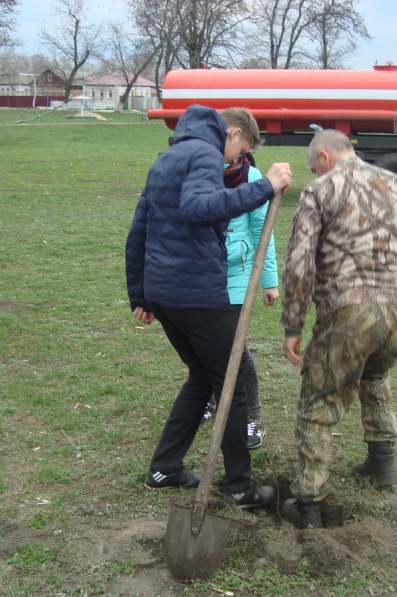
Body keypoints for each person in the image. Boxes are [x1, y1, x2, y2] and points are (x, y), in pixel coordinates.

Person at [278, 130, 397, 529]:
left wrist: (293, 324)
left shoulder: (320, 190)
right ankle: (381, 459)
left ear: (324, 156)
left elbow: (298, 264)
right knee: (373, 368)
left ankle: (308, 504)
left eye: (312, 166)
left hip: (349, 308)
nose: (313, 172)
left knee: (320, 400)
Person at [125, 104, 291, 508]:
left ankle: (164, 468)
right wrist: (263, 187)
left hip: (165, 293)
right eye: (240, 151)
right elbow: (199, 209)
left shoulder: (167, 158)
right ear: (231, 133)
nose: (236, 161)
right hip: (196, 293)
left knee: (201, 376)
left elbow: (140, 229)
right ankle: (239, 487)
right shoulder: (203, 153)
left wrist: (141, 294)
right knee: (228, 383)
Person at [202, 153, 279, 450]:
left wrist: (269, 280)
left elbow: (263, 230)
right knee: (206, 342)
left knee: (234, 346)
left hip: (238, 271)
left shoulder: (251, 177)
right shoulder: (199, 169)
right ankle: (211, 398)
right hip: (203, 270)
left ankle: (252, 416)